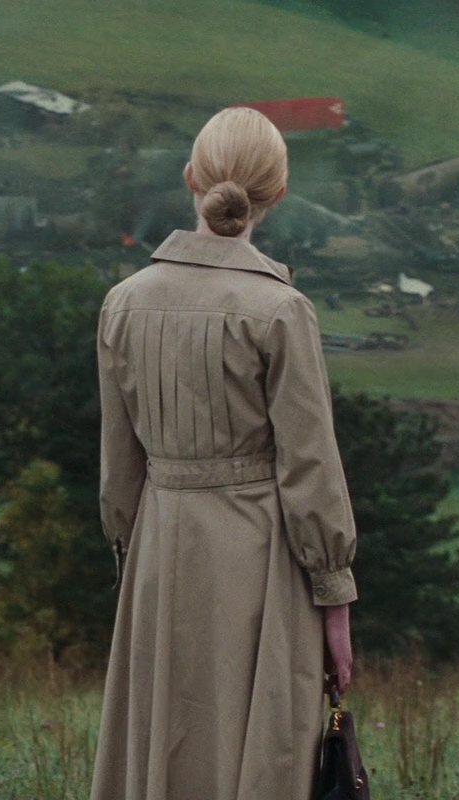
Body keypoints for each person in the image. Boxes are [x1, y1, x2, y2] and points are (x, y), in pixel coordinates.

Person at [91, 107, 358, 800]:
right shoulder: (280, 310)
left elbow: (119, 472)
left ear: (191, 177)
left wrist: (133, 560)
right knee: (257, 751)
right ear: (278, 193)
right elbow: (311, 467)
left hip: (158, 551)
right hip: (259, 562)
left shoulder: (123, 304)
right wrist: (334, 597)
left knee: (162, 750)